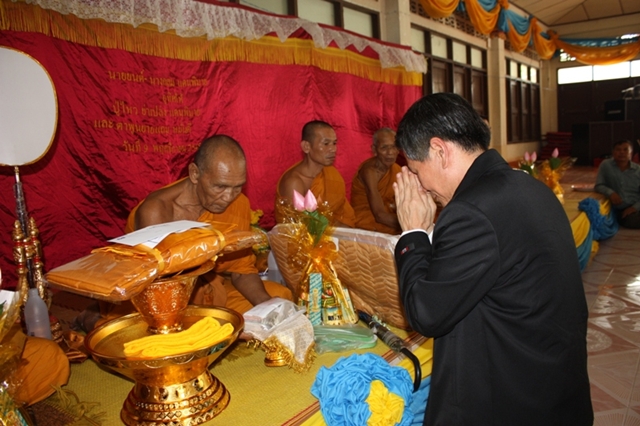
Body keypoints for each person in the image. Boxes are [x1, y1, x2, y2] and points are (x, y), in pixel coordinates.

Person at [392, 93, 593, 425]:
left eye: (416, 171)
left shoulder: (471, 211)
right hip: (551, 388)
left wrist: (413, 233)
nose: (421, 188)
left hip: (510, 402)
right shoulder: (528, 186)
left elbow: (426, 313)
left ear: (439, 151)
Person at [116, 135, 292, 316]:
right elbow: (157, 287)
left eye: (237, 187)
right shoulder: (157, 211)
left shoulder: (239, 204)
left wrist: (267, 308)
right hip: (158, 299)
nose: (228, 197)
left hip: (208, 290)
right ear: (194, 173)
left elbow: (241, 271)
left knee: (279, 297)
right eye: (220, 187)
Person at [275, 121, 355, 227]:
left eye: (334, 143)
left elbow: (340, 214)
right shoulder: (294, 182)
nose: (333, 149)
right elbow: (298, 228)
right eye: (326, 144)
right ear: (306, 147)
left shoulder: (330, 173)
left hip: (336, 231)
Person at [350, 128, 401, 234]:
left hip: (390, 222)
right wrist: (411, 225)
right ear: (374, 150)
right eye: (384, 147)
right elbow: (379, 216)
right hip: (367, 225)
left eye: (394, 147)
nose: (390, 152)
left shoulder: (397, 169)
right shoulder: (369, 172)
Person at [595, 139, 640, 229]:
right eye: (618, 149)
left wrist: (635, 207)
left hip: (636, 205)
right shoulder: (606, 165)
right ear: (613, 152)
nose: (621, 152)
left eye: (625, 150)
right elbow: (599, 185)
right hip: (621, 209)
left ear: (631, 153)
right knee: (632, 220)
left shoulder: (638, 170)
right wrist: (611, 193)